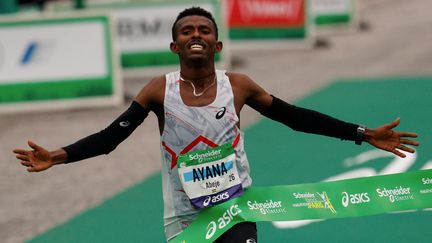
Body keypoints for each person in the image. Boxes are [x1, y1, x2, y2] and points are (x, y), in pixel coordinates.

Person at [13, 6, 419, 243]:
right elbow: (108, 139)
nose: (196, 35)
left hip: (236, 210)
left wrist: (363, 134)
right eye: (186, 31)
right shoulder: (158, 91)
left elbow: (295, 117)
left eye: (204, 30)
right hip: (184, 218)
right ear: (174, 46)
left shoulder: (237, 86)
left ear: (216, 44)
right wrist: (57, 156)